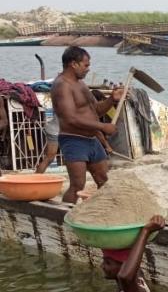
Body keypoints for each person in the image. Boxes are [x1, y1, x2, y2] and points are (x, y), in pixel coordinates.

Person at [50, 46, 126, 203]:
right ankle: (63, 216)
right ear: (73, 64)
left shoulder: (80, 84)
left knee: (104, 181)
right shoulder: (62, 85)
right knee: (78, 185)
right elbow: (69, 118)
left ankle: (101, 213)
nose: (88, 69)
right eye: (86, 65)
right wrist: (102, 127)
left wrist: (112, 99)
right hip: (73, 140)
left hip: (92, 140)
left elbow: (96, 110)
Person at [100, 215, 165, 292]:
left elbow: (125, 276)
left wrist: (145, 232)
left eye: (108, 262)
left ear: (125, 266)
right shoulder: (128, 283)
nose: (102, 266)